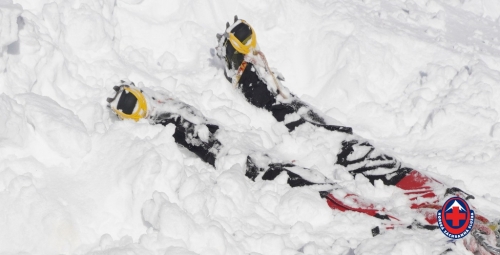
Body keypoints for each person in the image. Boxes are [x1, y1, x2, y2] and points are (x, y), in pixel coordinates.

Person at [104, 17, 500, 254]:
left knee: (291, 180)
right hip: (462, 219)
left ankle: (174, 121)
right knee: (345, 149)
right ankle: (264, 90)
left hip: (408, 241)